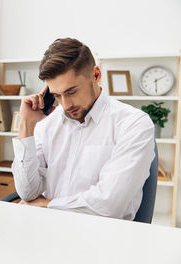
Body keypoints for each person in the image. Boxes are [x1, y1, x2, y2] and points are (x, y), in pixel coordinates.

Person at [11, 38, 155, 220]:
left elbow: (109, 206)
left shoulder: (133, 124)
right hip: (49, 228)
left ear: (95, 75)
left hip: (104, 237)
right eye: (57, 95)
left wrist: (47, 205)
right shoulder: (48, 124)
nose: (66, 104)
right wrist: (26, 125)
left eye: (71, 92)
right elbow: (27, 193)